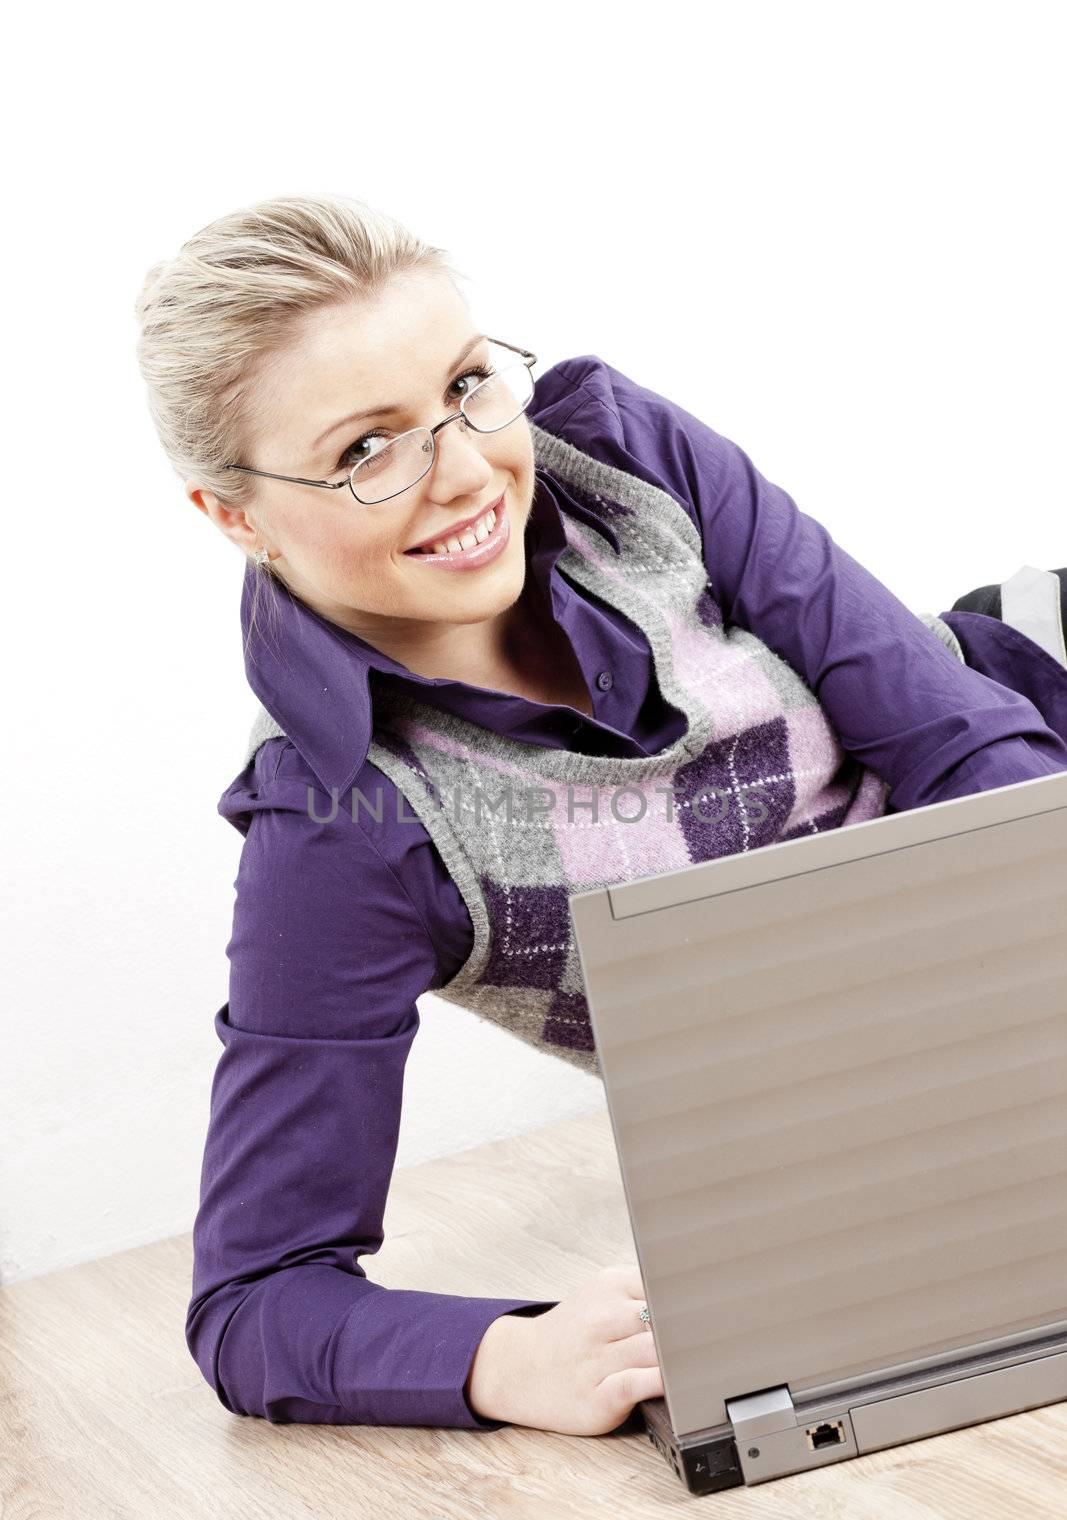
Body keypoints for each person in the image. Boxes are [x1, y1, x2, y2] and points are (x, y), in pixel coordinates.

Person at [133, 192, 1067, 1440]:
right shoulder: (340, 824)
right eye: (367, 449)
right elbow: (253, 1300)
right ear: (233, 515)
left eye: (465, 386)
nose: (466, 473)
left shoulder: (621, 455)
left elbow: (954, 730)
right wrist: (501, 1360)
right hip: (924, 1093)